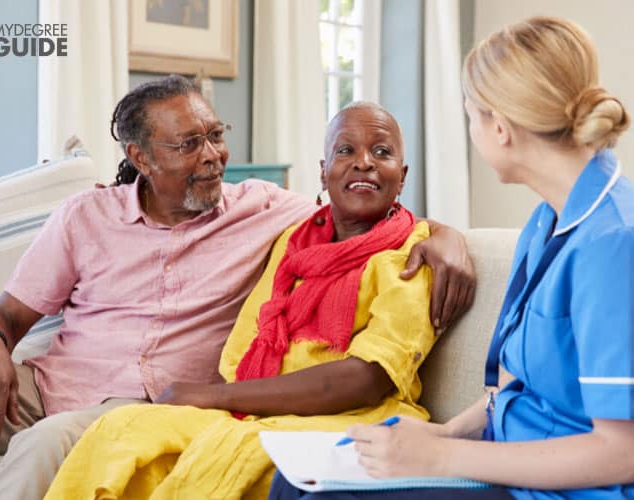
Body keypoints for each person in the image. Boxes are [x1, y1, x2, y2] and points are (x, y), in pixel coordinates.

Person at [0, 76, 475, 499]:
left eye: (216, 136)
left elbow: (364, 204)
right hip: (48, 389)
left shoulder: (264, 209)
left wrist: (447, 235)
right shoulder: (85, 216)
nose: (212, 155)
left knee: (46, 443)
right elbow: (7, 314)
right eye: (189, 144)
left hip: (143, 407)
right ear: (140, 158)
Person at [269, 16, 634, 500]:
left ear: (500, 127)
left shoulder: (623, 246)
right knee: (296, 480)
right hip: (514, 471)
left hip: (589, 492)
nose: (471, 127)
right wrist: (441, 434)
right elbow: (514, 387)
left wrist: (441, 457)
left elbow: (619, 455)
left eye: (471, 113)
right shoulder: (547, 222)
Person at [43, 101, 441, 499]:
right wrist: (221, 402)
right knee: (120, 430)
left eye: (382, 152)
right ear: (322, 171)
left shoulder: (413, 255)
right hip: (258, 409)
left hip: (353, 419)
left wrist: (211, 397)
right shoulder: (296, 240)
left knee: (224, 456)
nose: (364, 163)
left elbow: (367, 380)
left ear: (402, 177)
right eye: (345, 151)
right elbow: (243, 348)